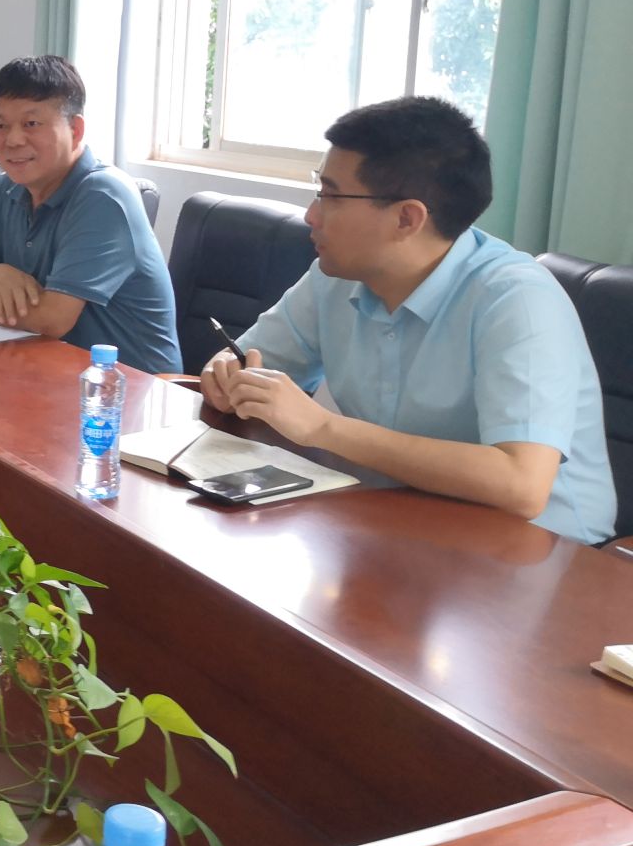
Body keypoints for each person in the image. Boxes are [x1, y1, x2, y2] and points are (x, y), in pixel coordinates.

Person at [201, 97, 615, 544]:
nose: (311, 215)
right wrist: (226, 376)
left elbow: (521, 485)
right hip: (402, 518)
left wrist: (324, 428)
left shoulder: (517, 300)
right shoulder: (336, 276)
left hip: (546, 551)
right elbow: (250, 361)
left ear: (406, 218)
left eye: (331, 196)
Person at [0, 56, 179, 373]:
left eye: (31, 124)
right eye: (0, 125)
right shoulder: (9, 188)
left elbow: (52, 318)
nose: (13, 140)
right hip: (42, 368)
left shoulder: (103, 195)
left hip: (124, 389)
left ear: (75, 129)